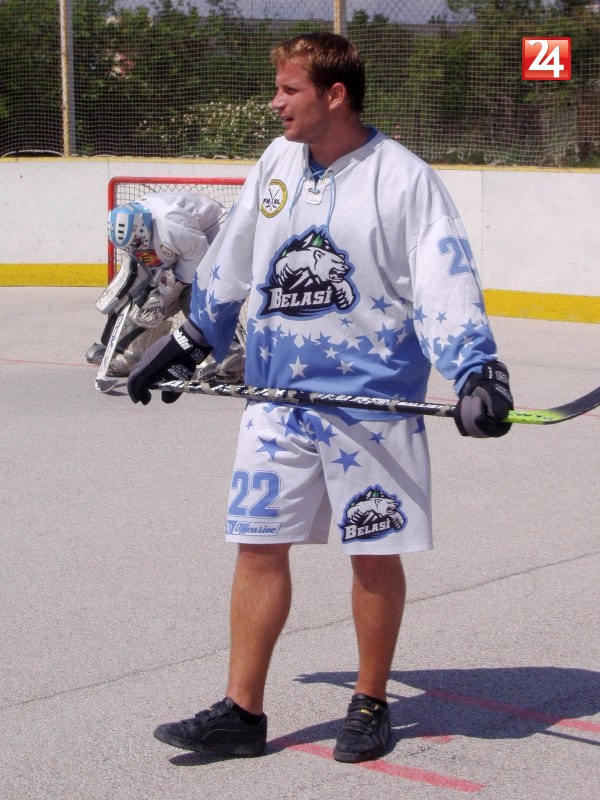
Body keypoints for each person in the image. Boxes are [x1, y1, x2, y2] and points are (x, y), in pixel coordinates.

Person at [126, 32, 514, 762]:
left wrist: (475, 370)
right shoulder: (277, 162)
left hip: (373, 407)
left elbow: (444, 279)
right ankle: (242, 711)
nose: (275, 103)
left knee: (373, 553)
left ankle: (370, 702)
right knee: (258, 545)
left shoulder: (404, 179)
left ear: (335, 95)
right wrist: (190, 338)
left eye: (288, 90)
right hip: (276, 398)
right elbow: (235, 254)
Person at [85, 192, 245, 381]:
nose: (135, 247)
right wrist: (151, 293)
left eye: (136, 243)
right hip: (187, 247)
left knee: (195, 296)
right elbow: (153, 260)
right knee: (143, 300)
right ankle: (130, 354)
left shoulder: (171, 225)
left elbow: (198, 259)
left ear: (142, 228)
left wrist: (171, 291)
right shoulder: (138, 224)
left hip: (218, 236)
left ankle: (232, 356)